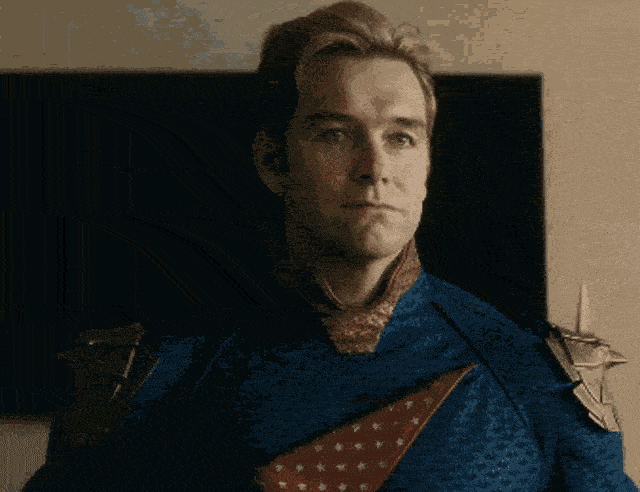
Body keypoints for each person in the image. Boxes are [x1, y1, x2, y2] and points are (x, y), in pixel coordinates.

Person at [23, 1, 637, 491]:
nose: (375, 169)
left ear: (426, 165)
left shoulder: (537, 378)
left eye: (401, 138)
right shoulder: (153, 378)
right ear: (273, 160)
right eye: (336, 134)